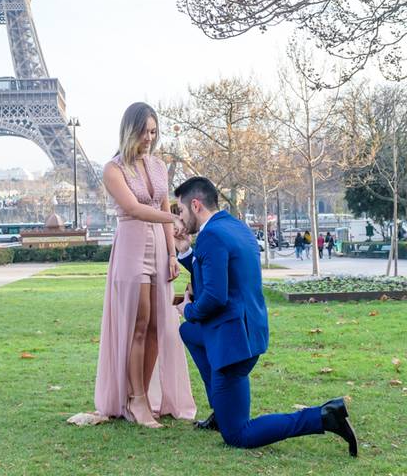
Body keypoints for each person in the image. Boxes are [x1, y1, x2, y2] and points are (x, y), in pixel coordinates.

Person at [173, 176, 358, 454]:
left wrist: (186, 308)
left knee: (237, 434)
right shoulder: (235, 227)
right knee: (189, 332)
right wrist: (186, 251)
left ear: (196, 205)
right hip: (249, 332)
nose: (180, 218)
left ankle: (323, 417)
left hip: (232, 343)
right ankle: (221, 410)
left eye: (181, 210)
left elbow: (214, 296)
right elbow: (218, 272)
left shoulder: (211, 236)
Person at [94, 102, 196, 427]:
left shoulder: (158, 166)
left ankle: (144, 396)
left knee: (156, 325)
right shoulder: (113, 169)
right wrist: (174, 217)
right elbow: (135, 209)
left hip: (157, 249)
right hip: (131, 247)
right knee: (138, 324)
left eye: (154, 131)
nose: (150, 138)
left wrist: (171, 254)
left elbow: (163, 205)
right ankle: (135, 399)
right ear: (129, 130)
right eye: (144, 131)